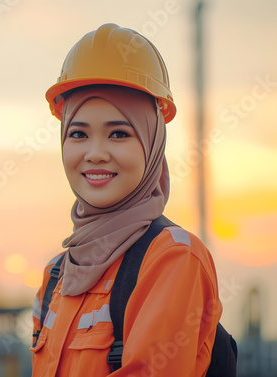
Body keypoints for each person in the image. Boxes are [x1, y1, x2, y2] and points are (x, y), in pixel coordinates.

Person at [31, 23, 222, 376]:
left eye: (119, 133)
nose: (95, 153)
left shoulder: (173, 259)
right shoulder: (56, 275)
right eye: (78, 133)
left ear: (151, 144)